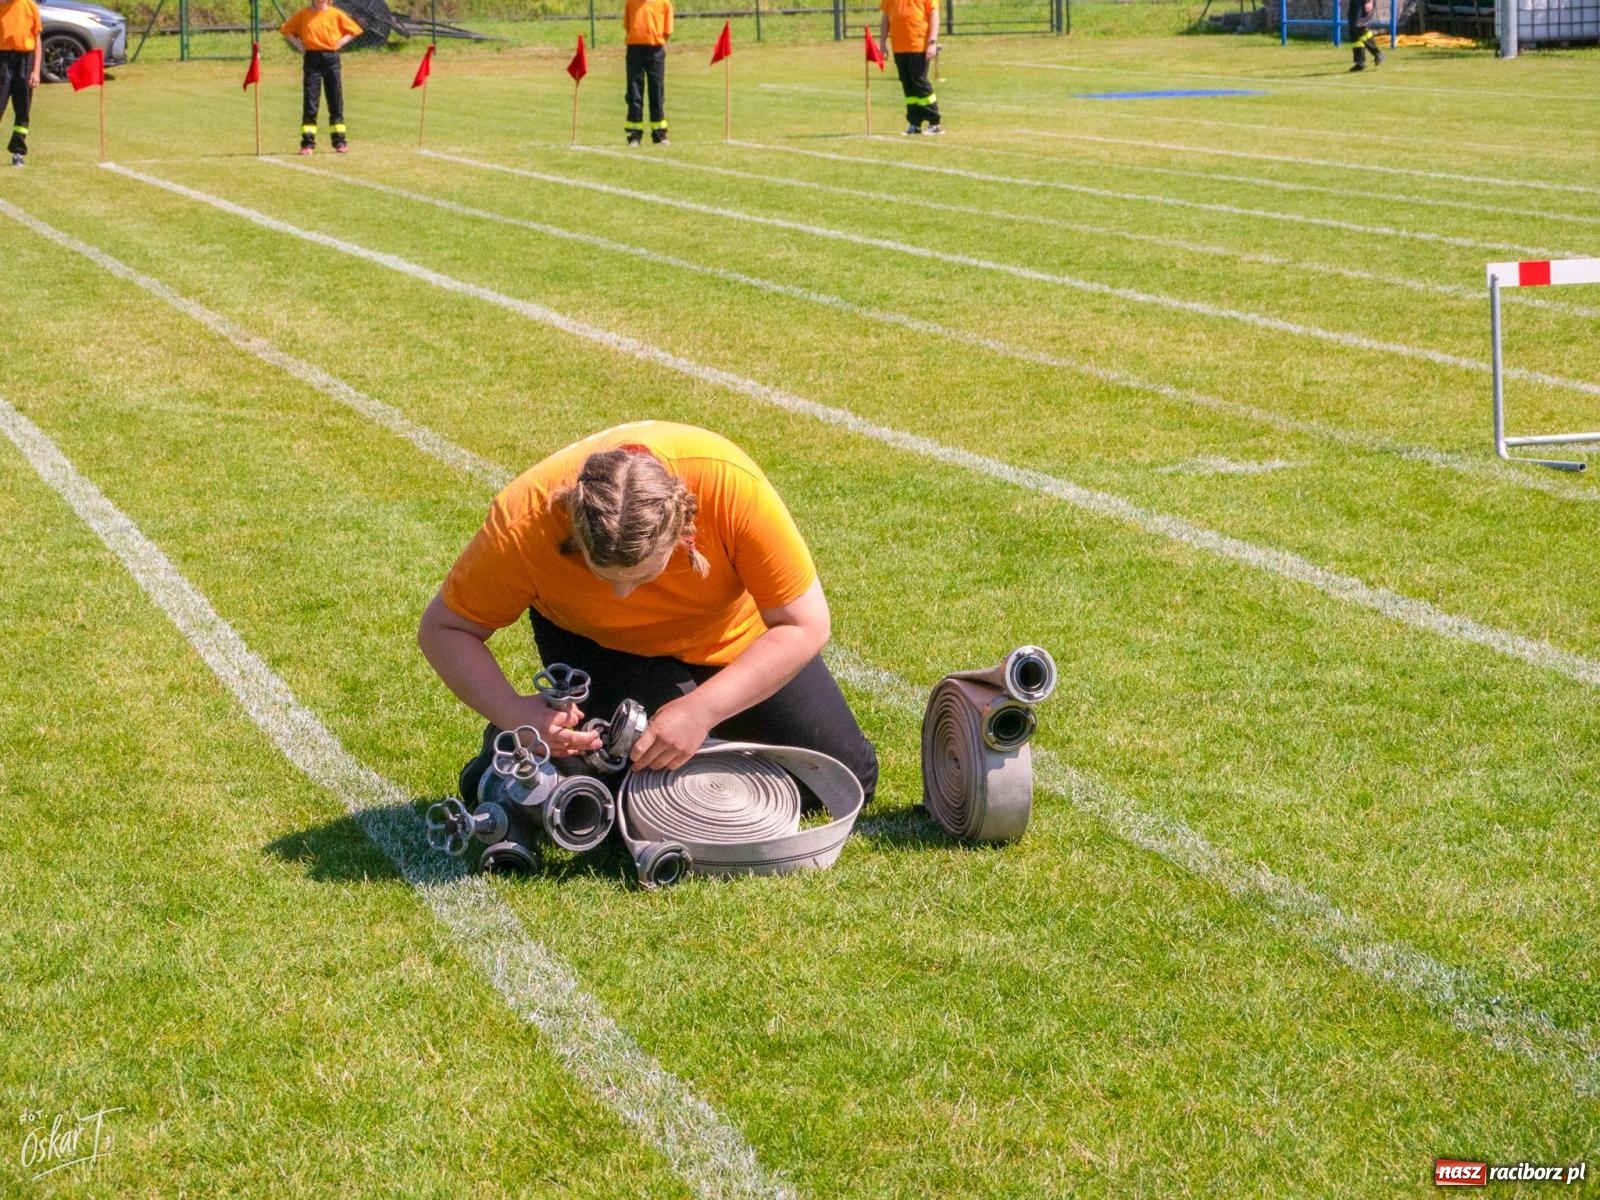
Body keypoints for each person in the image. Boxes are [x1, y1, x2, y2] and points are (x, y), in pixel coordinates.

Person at [418, 422, 879, 808]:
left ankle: (680, 730)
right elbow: (445, 628)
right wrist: (514, 712)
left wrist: (703, 709)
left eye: (641, 577)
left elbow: (806, 623)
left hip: (730, 637)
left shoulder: (730, 485)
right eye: (604, 575)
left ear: (683, 533)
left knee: (842, 782)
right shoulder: (524, 521)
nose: (622, 593)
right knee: (645, 797)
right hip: (601, 644)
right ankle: (512, 757)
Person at [279, 0, 362, 155]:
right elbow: (286, 30)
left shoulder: (335, 13)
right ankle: (307, 144)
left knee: (335, 100)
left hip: (331, 58)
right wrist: (299, 45)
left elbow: (354, 30)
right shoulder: (304, 14)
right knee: (311, 102)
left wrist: (340, 42)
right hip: (312, 59)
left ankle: (340, 142)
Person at [880, 0, 941, 135]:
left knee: (919, 81)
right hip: (899, 46)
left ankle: (934, 123)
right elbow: (885, 17)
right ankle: (915, 123)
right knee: (907, 84)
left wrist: (932, 41)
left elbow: (934, 15)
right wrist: (882, 42)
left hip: (918, 44)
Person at [622, 0, 672, 145]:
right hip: (634, 51)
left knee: (656, 91)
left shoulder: (664, 3)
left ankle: (659, 134)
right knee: (634, 92)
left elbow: (667, 31)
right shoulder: (631, 3)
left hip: (655, 50)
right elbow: (628, 26)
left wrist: (655, 40)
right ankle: (634, 134)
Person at [0, 0, 40, 167]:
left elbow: (37, 39)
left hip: (25, 60)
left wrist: (35, 70)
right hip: (3, 60)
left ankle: (18, 151)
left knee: (23, 108)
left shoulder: (29, 5)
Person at [1348, 0, 1384, 71]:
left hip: (1363, 2)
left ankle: (1377, 53)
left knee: (1359, 27)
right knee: (1354, 31)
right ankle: (1360, 62)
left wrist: (1369, 1)